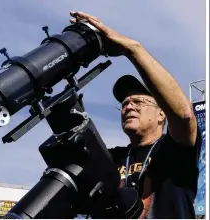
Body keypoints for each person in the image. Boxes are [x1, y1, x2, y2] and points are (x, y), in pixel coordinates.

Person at [70, 11, 202, 219]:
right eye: (124, 104)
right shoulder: (111, 158)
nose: (129, 107)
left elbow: (184, 115)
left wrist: (132, 49)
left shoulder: (175, 151)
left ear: (161, 114)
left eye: (139, 102)